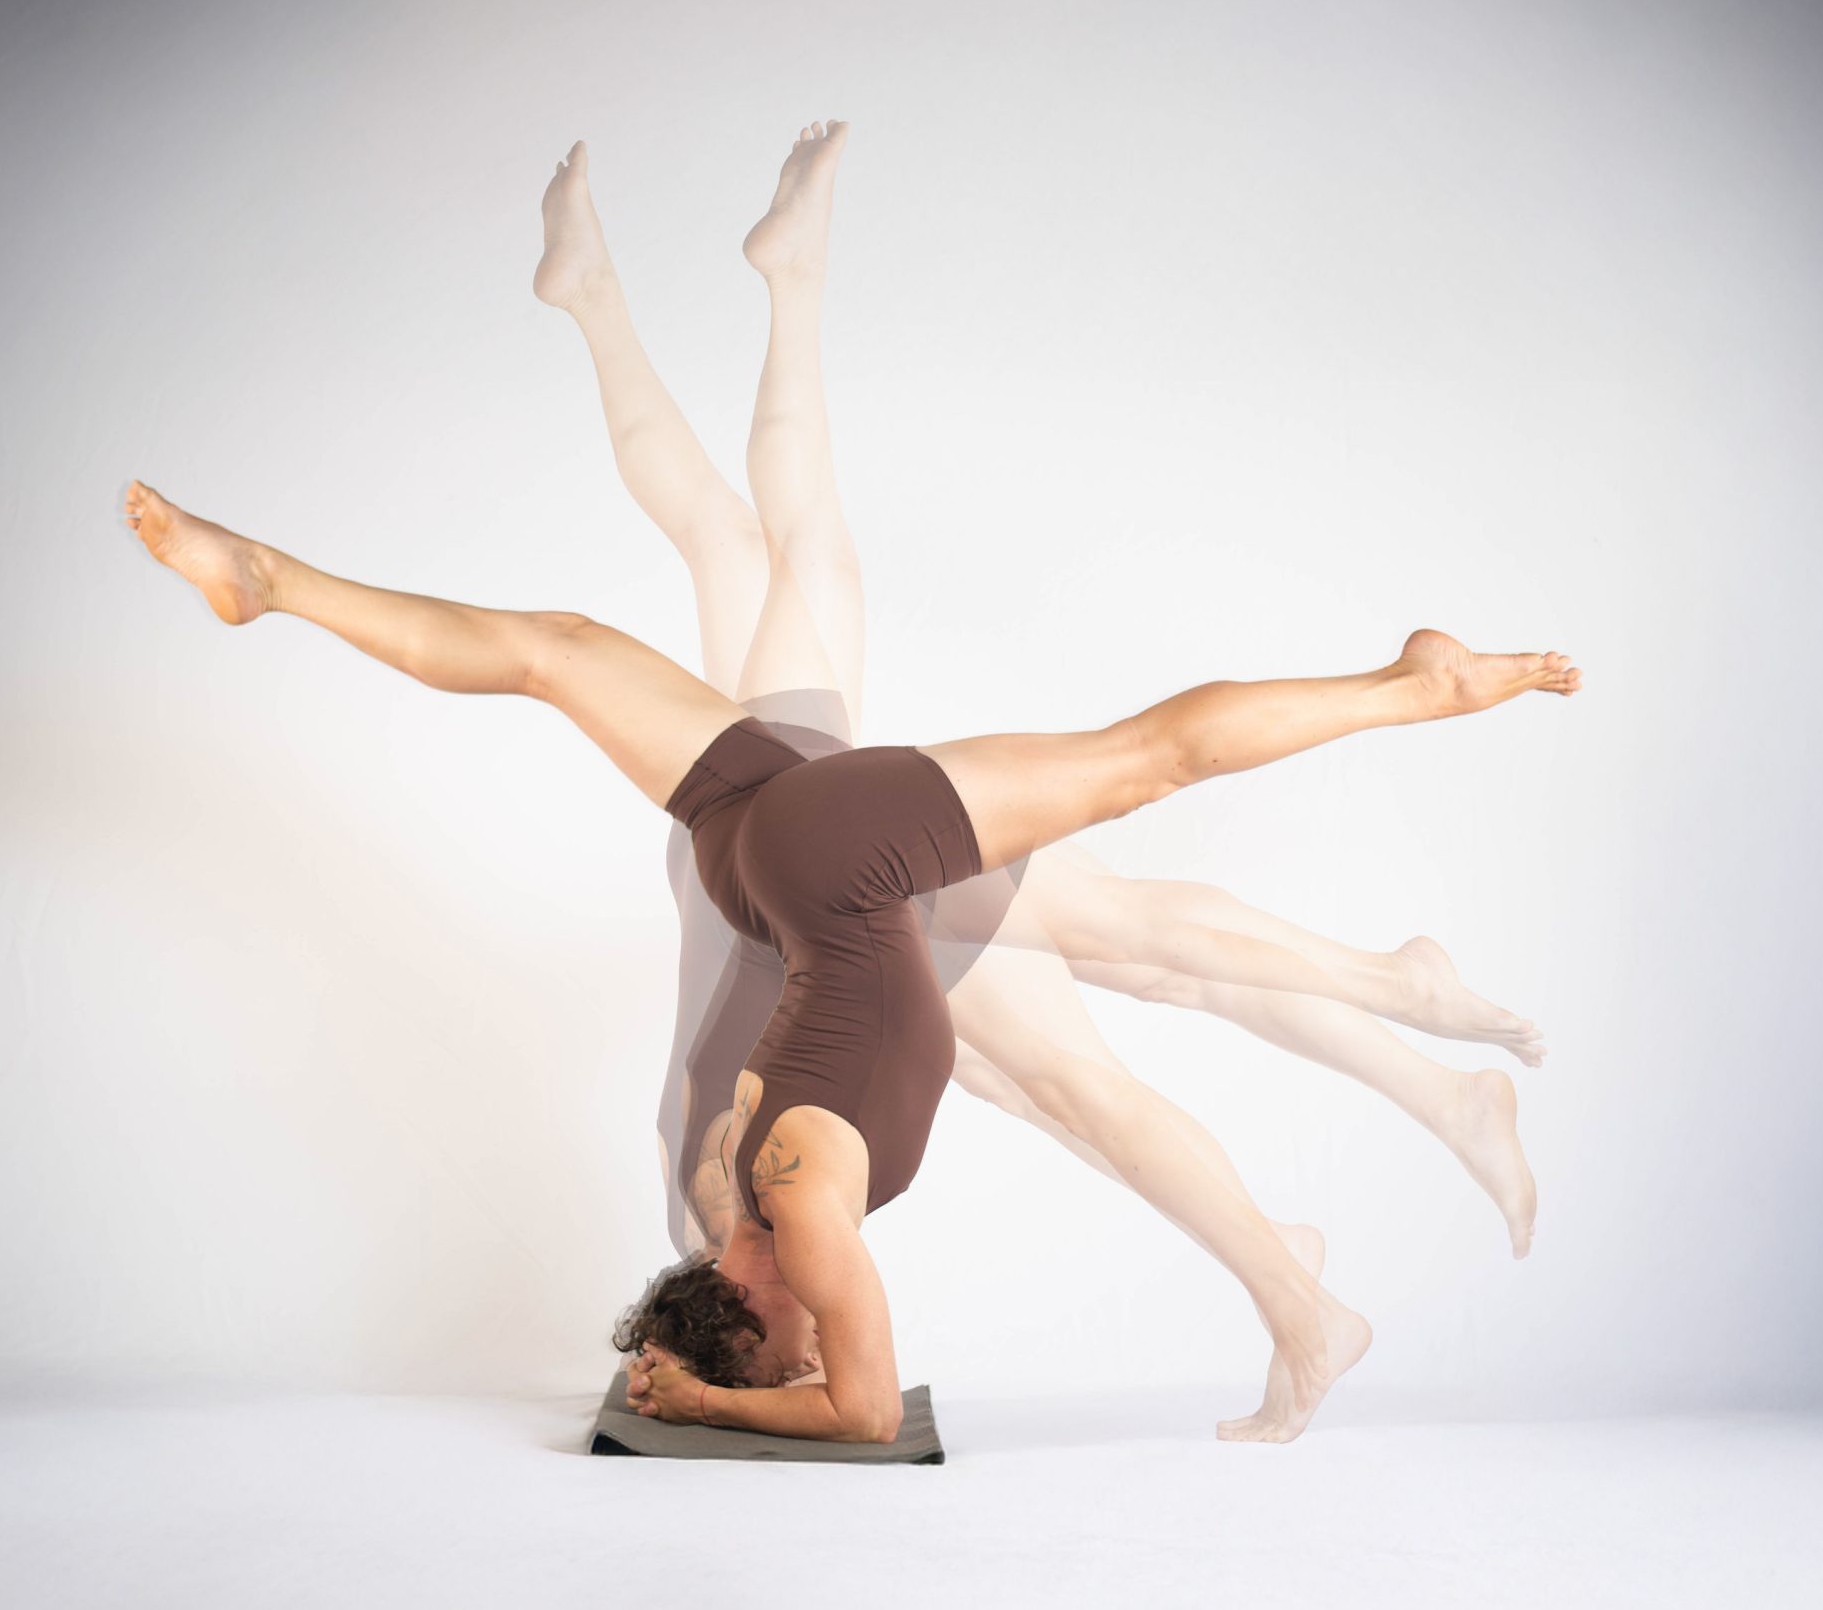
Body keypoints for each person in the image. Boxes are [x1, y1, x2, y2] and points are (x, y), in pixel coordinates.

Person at [542, 124, 1552, 1438]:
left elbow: (846, 1399)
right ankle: (1387, 1111)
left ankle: (1351, 1180)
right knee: (766, 554)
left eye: (783, 1347)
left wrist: (708, 1393)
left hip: (830, 892)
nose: (817, 1335)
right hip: (807, 880)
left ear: (739, 1317)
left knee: (1109, 1012)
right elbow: (828, 1367)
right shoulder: (753, 1219)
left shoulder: (757, 1219)